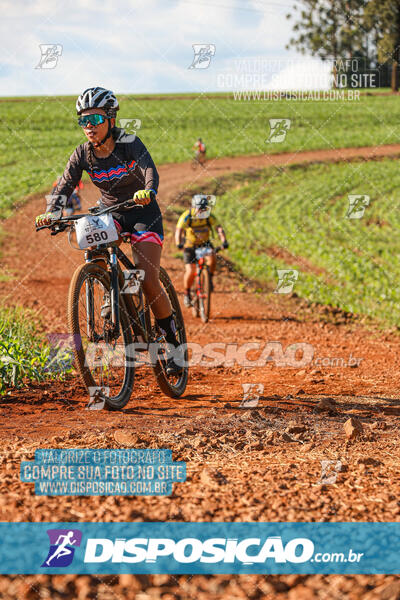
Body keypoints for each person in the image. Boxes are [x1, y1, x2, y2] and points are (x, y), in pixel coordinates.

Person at [35, 87, 182, 375]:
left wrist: (147, 191)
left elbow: (150, 170)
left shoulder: (128, 142)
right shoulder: (82, 154)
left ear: (110, 119)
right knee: (92, 241)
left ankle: (172, 342)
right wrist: (53, 212)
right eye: (83, 121)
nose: (89, 126)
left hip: (142, 212)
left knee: (146, 277)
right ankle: (106, 289)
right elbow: (65, 184)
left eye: (95, 119)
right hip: (110, 211)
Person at [175, 195, 228, 307]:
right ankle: (187, 293)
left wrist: (224, 241)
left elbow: (219, 228)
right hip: (190, 245)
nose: (202, 211)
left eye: (204, 208)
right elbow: (179, 230)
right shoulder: (187, 216)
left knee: (212, 258)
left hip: (205, 244)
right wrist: (179, 243)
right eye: (200, 208)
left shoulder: (209, 216)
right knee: (191, 270)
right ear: (194, 207)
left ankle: (209, 279)